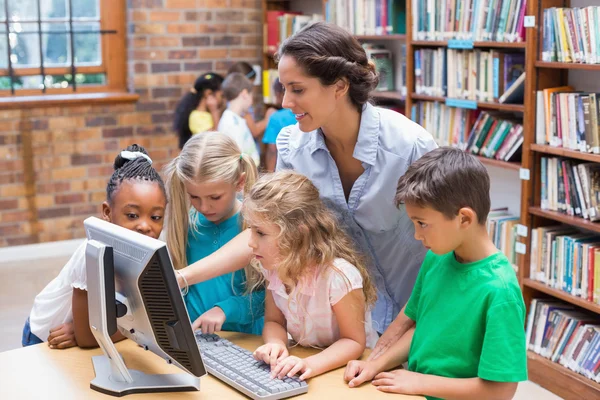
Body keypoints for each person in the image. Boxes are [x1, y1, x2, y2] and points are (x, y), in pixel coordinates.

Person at [176, 21, 437, 341]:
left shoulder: (410, 148)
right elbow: (266, 232)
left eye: (297, 89)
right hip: (342, 332)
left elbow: (442, 253)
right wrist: (182, 277)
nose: (285, 102)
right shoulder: (291, 148)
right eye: (284, 88)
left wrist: (395, 335)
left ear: (339, 86)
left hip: (417, 325)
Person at [344, 148, 528, 400]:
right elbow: (421, 328)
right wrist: (376, 364)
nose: (418, 236)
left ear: (464, 218)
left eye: (423, 224)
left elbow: (500, 391)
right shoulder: (437, 257)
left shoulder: (500, 291)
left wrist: (420, 382)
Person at [23, 145, 167, 348]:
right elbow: (87, 339)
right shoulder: (93, 252)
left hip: (89, 327)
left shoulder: (150, 251)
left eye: (156, 217)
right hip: (45, 336)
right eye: (132, 215)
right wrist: (142, 331)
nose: (145, 226)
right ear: (107, 212)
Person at [244, 171, 378, 381]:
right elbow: (273, 321)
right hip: (307, 361)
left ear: (298, 233)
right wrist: (276, 344)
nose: (251, 242)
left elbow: (354, 341)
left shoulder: (338, 276)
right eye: (251, 229)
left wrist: (309, 364)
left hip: (352, 372)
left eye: (260, 233)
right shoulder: (274, 268)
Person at [164, 132, 264, 335]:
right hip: (196, 341)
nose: (204, 206)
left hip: (246, 341)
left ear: (240, 182)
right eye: (194, 196)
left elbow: (275, 297)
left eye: (215, 197)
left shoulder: (259, 227)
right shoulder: (185, 225)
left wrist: (227, 309)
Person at [217, 73, 260, 166]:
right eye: (251, 95)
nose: (252, 101)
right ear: (244, 94)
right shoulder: (232, 123)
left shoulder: (235, 119)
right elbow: (237, 159)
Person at [173, 72, 224, 149]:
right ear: (208, 94)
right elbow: (214, 140)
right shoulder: (196, 117)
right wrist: (214, 111)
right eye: (221, 95)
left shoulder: (207, 114)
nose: (223, 99)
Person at [227, 61, 275, 141]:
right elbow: (254, 131)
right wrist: (268, 118)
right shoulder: (241, 105)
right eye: (250, 86)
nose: (251, 90)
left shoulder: (231, 101)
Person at [262, 78, 296, 172]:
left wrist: (270, 175)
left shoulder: (275, 117)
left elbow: (272, 149)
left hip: (284, 174)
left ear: (278, 94)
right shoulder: (305, 113)